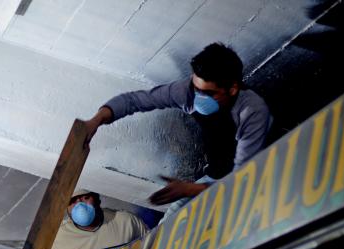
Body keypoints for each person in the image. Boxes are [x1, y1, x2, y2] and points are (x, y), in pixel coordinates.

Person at [84, 42, 272, 206]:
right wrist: (97, 120)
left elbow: (242, 181)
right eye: (196, 88)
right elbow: (135, 101)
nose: (198, 97)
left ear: (232, 89)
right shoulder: (187, 91)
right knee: (173, 219)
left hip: (259, 178)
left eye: (208, 93)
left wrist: (190, 190)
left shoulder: (252, 112)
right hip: (213, 177)